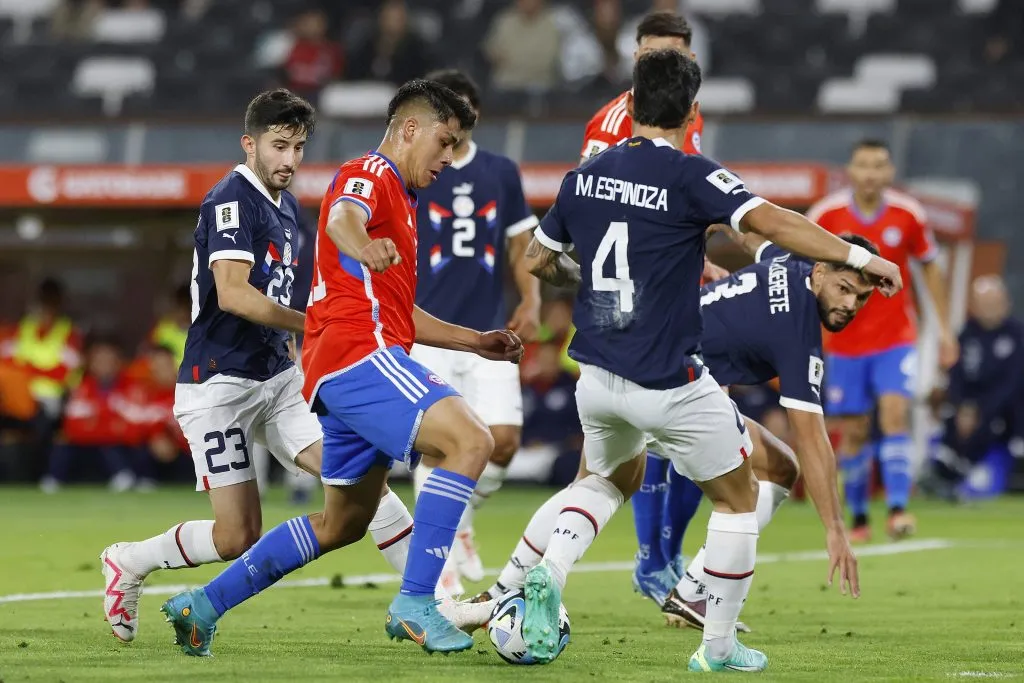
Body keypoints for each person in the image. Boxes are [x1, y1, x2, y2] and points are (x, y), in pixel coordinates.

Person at [513, 49, 900, 670]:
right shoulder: (691, 174)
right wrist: (862, 258)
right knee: (742, 496)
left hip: (596, 374)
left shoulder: (583, 175)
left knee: (603, 481)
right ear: (694, 112)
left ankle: (543, 575)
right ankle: (716, 644)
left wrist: (599, 282)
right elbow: (771, 223)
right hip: (668, 378)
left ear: (630, 105)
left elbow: (537, 260)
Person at [158, 79, 523, 657]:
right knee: (472, 441)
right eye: (445, 141)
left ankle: (202, 605)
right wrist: (362, 244)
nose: (450, 158)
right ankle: (418, 603)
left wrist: (473, 341)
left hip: (346, 363)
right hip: (360, 357)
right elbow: (342, 218)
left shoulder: (405, 202)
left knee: (343, 523)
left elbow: (399, 312)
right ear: (410, 129)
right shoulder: (371, 172)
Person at [99, 89, 324, 643]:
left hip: (276, 378)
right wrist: (312, 325)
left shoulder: (289, 207)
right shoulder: (231, 200)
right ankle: (128, 561)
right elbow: (234, 294)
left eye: (298, 147)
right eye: (279, 145)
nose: (290, 159)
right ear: (249, 144)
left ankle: (430, 599)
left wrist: (296, 340)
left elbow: (281, 292)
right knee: (236, 536)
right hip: (218, 382)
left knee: (351, 471)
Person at [578, 10, 731, 606]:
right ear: (634, 57)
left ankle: (663, 558)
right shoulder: (610, 122)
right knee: (649, 433)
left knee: (678, 430)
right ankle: (651, 559)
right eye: (651, 54)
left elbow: (680, 201)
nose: (663, 62)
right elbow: (594, 202)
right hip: (629, 300)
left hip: (674, 285)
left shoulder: (689, 114)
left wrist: (698, 260)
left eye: (675, 55)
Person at [659, 230, 875, 629]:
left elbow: (750, 233)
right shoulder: (797, 330)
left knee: (599, 484)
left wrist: (715, 224)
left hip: (653, 358)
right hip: (672, 384)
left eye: (862, 297)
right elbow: (812, 438)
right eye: (844, 289)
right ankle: (700, 601)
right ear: (820, 272)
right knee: (749, 488)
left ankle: (688, 591)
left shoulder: (787, 261)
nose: (850, 305)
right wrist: (834, 528)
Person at [410, 69, 540, 594]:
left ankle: (458, 521)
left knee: (502, 442)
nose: (454, 122)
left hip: (488, 331)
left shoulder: (500, 171)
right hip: (427, 332)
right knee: (439, 446)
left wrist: (531, 298)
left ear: (475, 115)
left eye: (461, 111)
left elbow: (521, 243)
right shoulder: (416, 167)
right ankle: (439, 561)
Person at [808, 139, 958, 543]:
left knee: (894, 413)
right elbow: (806, 266)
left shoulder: (908, 215)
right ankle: (859, 517)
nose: (871, 174)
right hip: (844, 342)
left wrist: (945, 331)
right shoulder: (827, 214)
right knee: (854, 429)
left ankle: (897, 510)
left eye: (878, 165)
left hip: (895, 338)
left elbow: (930, 268)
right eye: (863, 165)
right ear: (850, 171)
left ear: (890, 172)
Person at [922, 275, 1024, 499]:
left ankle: (961, 472)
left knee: (994, 418)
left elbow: (1013, 382)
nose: (989, 308)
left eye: (994, 302)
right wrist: (963, 407)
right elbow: (956, 375)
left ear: (1005, 302)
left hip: (1005, 409)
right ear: (974, 306)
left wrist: (981, 410)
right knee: (948, 414)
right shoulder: (967, 333)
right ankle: (944, 469)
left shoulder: (1017, 334)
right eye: (983, 303)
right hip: (969, 405)